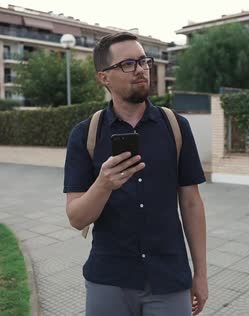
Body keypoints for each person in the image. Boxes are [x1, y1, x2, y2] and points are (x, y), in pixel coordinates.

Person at [63, 32, 208, 315]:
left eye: (143, 61)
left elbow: (191, 204)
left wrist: (200, 274)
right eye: (128, 64)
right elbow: (76, 217)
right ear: (104, 77)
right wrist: (103, 185)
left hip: (169, 279)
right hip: (109, 280)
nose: (140, 69)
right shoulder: (85, 135)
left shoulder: (175, 127)